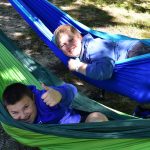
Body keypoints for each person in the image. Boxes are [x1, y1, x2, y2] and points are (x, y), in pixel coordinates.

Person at [54, 24, 150, 80]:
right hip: (132, 54)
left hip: (135, 52)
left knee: (142, 80)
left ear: (80, 36)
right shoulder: (81, 52)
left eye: (70, 40)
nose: (68, 46)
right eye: (63, 45)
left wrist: (78, 66)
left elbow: (104, 71)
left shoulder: (93, 47)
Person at [2, 82, 108, 124]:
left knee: (97, 117)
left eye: (26, 107)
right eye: (15, 113)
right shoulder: (10, 118)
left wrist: (59, 95)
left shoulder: (45, 99)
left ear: (33, 99)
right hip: (58, 139)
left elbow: (72, 89)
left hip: (78, 126)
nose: (23, 115)